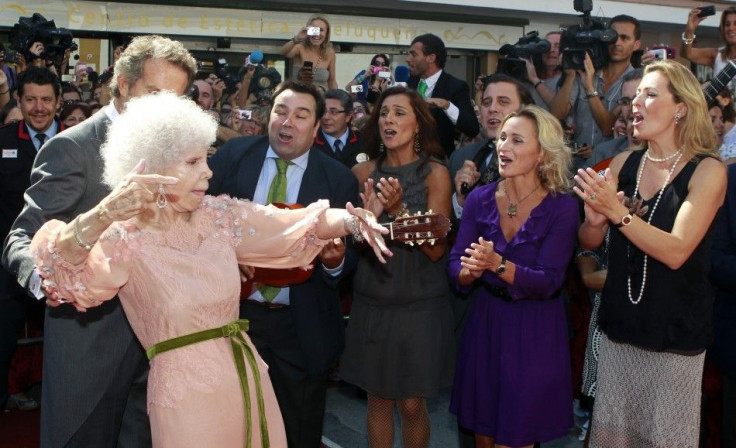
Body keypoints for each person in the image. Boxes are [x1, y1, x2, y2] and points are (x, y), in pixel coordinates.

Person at [28, 91, 390, 448]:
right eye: (192, 162)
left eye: (206, 159)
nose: (208, 172)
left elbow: (288, 223)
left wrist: (350, 220)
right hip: (183, 397)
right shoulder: (124, 239)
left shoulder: (219, 216)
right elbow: (62, 276)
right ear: (154, 168)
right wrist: (103, 215)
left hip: (245, 378)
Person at [2, 35, 197, 448]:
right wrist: (48, 279)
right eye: (154, 93)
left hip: (158, 347)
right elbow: (21, 236)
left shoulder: (178, 150)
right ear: (124, 84)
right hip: (88, 345)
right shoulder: (72, 147)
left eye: (174, 99)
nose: (164, 109)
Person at [575, 60, 726, 447]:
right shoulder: (625, 163)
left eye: (650, 93)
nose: (635, 103)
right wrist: (594, 221)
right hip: (618, 334)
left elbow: (677, 251)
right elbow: (590, 243)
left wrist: (616, 212)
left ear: (681, 107)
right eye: (635, 94)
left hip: (674, 341)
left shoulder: (708, 171)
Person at [208, 80, 362, 448]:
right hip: (234, 319)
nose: (287, 122)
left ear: (317, 125)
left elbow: (350, 261)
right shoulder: (233, 158)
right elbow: (198, 224)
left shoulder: (337, 179)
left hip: (301, 328)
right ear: (268, 117)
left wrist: (336, 261)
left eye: (300, 115)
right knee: (233, 430)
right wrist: (223, 257)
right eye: (281, 111)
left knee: (298, 432)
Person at [448, 105, 578, 448]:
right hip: (486, 327)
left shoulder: (562, 206)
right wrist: (468, 271)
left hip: (535, 332)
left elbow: (549, 280)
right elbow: (456, 264)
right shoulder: (479, 199)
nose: (503, 146)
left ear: (542, 153)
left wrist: (496, 265)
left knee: (516, 439)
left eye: (516, 140)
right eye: (502, 137)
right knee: (484, 437)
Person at [340, 86, 455, 448]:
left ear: (418, 124)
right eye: (385, 112)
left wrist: (397, 212)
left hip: (420, 303)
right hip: (373, 297)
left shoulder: (436, 173)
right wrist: (364, 225)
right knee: (378, 400)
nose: (389, 118)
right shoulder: (361, 173)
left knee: (411, 404)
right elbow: (350, 245)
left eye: (400, 112)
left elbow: (437, 250)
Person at [0, 66, 62, 415]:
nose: (39, 108)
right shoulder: (4, 140)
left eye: (46, 100)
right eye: (31, 100)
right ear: (19, 102)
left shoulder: (78, 140)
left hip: (64, 263)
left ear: (57, 102)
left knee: (65, 348)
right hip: (9, 267)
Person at [450, 74, 534, 220]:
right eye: (486, 102)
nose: (492, 109)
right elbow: (448, 230)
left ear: (525, 110)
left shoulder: (542, 161)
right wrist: (461, 201)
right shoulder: (460, 159)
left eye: (503, 101)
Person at [549, 15, 641, 149]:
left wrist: (590, 88)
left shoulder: (636, 82)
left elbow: (608, 128)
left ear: (636, 45)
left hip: (612, 161)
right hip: (576, 162)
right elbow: (556, 115)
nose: (617, 43)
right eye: (613, 36)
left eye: (624, 38)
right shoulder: (585, 71)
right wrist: (570, 76)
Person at [406, 33, 479, 156]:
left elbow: (472, 129)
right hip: (407, 160)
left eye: (414, 54)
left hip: (438, 162)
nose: (408, 59)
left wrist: (447, 106)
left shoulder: (456, 86)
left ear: (431, 58)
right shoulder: (411, 83)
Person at [682, 6, 736, 97]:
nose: (731, 28)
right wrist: (690, 30)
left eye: (735, 24)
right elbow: (686, 53)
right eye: (727, 24)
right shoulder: (716, 55)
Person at [281, 14, 337, 91]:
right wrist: (296, 39)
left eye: (321, 30)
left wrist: (336, 98)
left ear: (326, 34)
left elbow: (332, 81)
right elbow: (283, 52)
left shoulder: (329, 52)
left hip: (321, 98)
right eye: (314, 29)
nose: (316, 34)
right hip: (300, 96)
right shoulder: (300, 47)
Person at [313, 88, 366, 168]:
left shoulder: (363, 141)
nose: (326, 117)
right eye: (323, 111)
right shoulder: (309, 142)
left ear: (348, 116)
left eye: (334, 112)